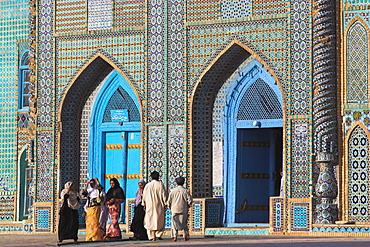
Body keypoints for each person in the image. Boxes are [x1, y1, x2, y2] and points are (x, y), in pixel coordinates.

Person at [142, 171, 168, 241]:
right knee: (159, 219)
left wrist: (144, 204)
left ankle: (151, 236)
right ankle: (158, 234)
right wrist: (165, 203)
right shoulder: (160, 185)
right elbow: (164, 195)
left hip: (149, 205)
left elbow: (144, 196)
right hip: (159, 205)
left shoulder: (147, 185)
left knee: (150, 220)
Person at [167, 177, 193, 242]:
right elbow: (190, 200)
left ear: (176, 182)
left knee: (174, 224)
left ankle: (174, 236)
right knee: (184, 223)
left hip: (174, 209)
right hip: (183, 209)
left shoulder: (172, 191)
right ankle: (185, 236)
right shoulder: (186, 191)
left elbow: (169, 201)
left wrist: (170, 207)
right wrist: (188, 206)